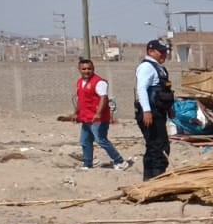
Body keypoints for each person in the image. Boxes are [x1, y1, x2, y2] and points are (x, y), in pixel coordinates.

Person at [74, 58, 130, 170]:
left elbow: (103, 98)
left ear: (93, 69)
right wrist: (77, 113)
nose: (86, 71)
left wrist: (98, 113)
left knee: (101, 140)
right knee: (85, 141)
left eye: (89, 68)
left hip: (98, 118)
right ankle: (87, 163)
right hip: (86, 117)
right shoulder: (80, 82)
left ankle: (119, 161)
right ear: (79, 69)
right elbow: (80, 99)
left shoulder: (99, 82)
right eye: (84, 69)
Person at [134, 38, 174, 180]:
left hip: (158, 113)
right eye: (161, 52)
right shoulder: (147, 67)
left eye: (165, 52)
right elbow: (142, 89)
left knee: (153, 147)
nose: (164, 55)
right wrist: (146, 111)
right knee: (159, 148)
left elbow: (163, 91)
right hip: (151, 113)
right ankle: (156, 181)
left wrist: (169, 109)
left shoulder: (159, 68)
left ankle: (149, 180)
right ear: (151, 51)